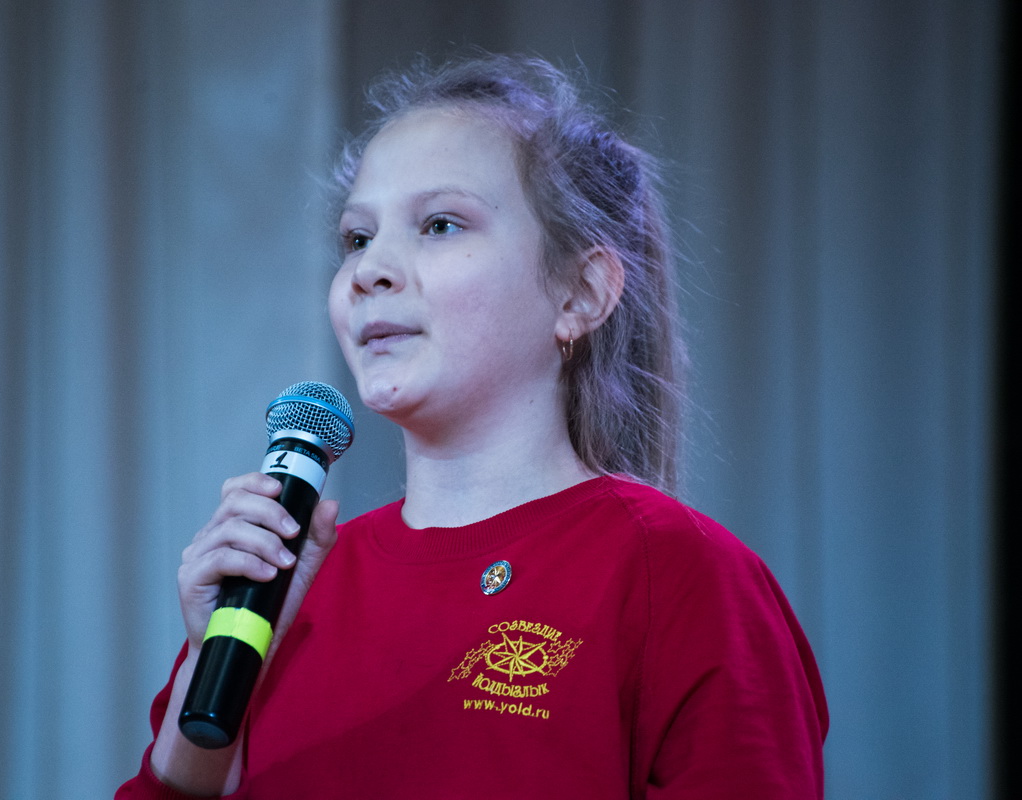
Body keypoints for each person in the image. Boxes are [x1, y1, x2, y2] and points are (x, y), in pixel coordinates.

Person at [117, 53, 828, 798]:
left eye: (439, 224)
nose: (369, 270)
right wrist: (208, 680)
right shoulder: (281, 590)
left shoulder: (676, 573)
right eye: (357, 238)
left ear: (581, 293)